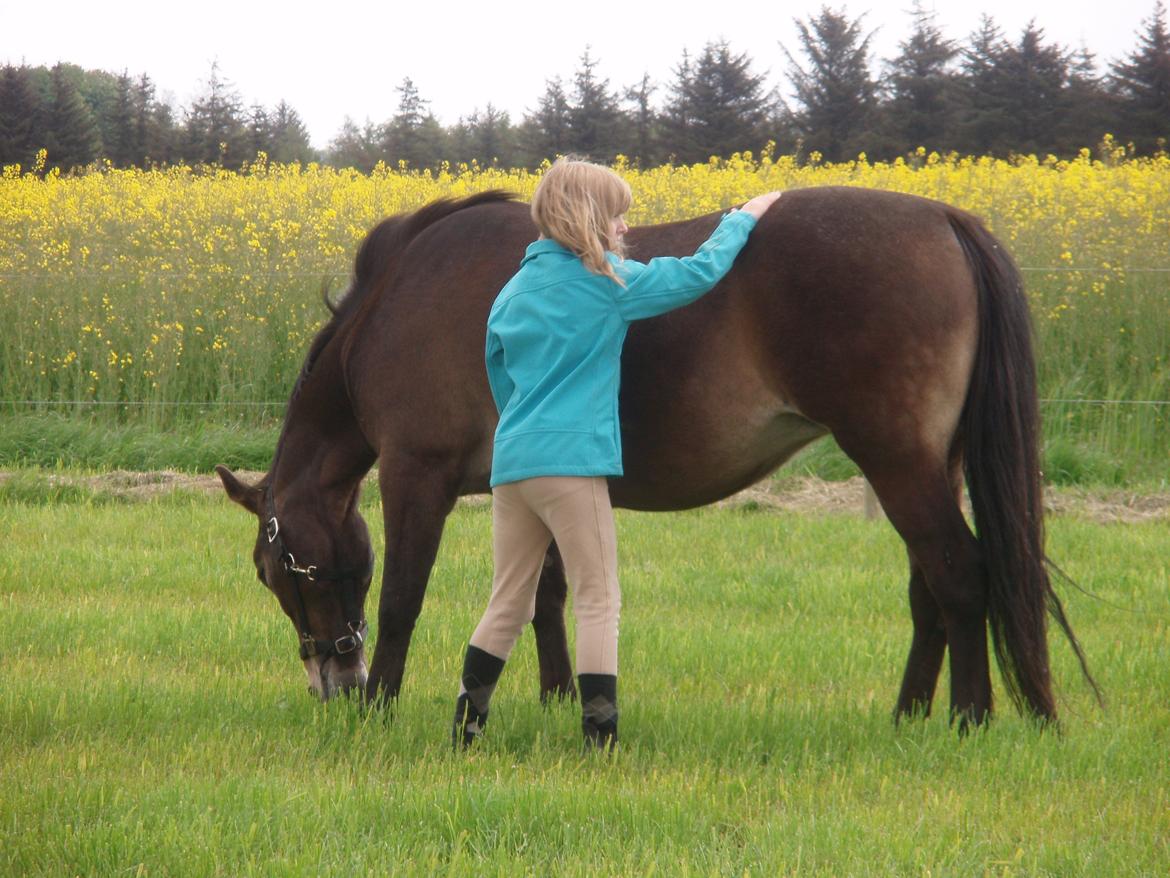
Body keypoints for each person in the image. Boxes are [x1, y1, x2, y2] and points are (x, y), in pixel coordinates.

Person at [452, 157, 782, 751]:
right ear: (588, 219)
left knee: (508, 599)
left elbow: (499, 377)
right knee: (598, 598)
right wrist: (743, 218)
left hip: (513, 467)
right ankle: (599, 740)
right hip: (573, 468)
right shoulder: (606, 284)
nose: (626, 227)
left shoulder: (510, 293)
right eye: (618, 216)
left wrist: (525, 433)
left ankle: (466, 729)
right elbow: (698, 273)